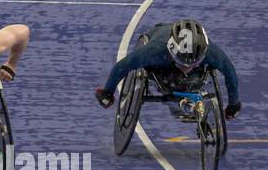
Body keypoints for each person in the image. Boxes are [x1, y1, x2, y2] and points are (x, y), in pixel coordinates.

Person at [94, 19, 241, 118]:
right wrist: (107, 91)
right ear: (171, 51)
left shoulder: (211, 52)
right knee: (170, 83)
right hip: (162, 57)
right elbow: (123, 66)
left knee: (194, 78)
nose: (186, 69)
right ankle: (176, 98)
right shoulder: (154, 51)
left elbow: (230, 73)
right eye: (182, 63)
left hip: (178, 57)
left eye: (193, 64)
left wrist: (234, 104)